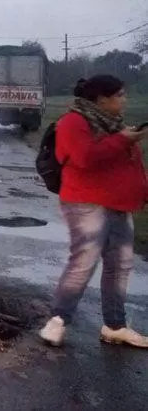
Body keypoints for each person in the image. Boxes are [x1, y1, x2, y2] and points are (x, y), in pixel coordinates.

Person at [39, 75, 148, 348]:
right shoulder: (72, 122)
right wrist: (122, 140)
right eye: (120, 95)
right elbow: (84, 158)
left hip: (119, 206)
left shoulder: (113, 124)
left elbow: (127, 165)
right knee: (83, 263)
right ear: (102, 99)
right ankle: (58, 320)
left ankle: (115, 326)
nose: (125, 99)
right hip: (85, 204)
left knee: (120, 266)